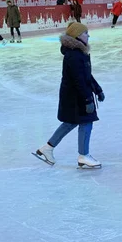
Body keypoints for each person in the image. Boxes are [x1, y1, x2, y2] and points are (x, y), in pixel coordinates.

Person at [32, 22, 104, 169]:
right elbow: (79, 80)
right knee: (85, 121)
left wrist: (97, 90)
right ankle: (83, 156)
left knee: (70, 122)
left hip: (74, 96)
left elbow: (87, 75)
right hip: (76, 97)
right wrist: (88, 99)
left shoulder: (78, 52)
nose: (88, 35)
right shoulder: (74, 55)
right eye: (85, 33)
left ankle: (47, 148)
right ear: (77, 36)